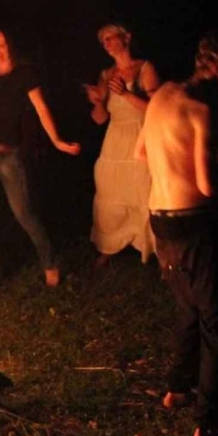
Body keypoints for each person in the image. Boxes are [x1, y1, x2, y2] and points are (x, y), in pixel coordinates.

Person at [138, 33, 218, 436]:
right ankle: (208, 425)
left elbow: (141, 153)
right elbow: (205, 184)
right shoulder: (200, 111)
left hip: (159, 219)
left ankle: (177, 389)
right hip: (192, 221)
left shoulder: (163, 94)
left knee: (187, 306)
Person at [0, 29, 81, 288]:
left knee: (23, 212)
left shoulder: (25, 74)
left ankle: (49, 262)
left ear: (11, 46)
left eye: (1, 45)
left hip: (7, 154)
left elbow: (41, 108)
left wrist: (57, 141)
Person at [85, 23, 161, 267]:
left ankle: (155, 249)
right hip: (115, 138)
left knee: (144, 192)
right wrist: (96, 101)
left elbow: (157, 109)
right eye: (102, 40)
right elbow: (100, 118)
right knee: (110, 189)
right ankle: (109, 245)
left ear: (125, 38)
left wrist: (127, 94)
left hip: (140, 135)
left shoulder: (144, 68)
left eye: (110, 37)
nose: (106, 44)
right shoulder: (106, 74)